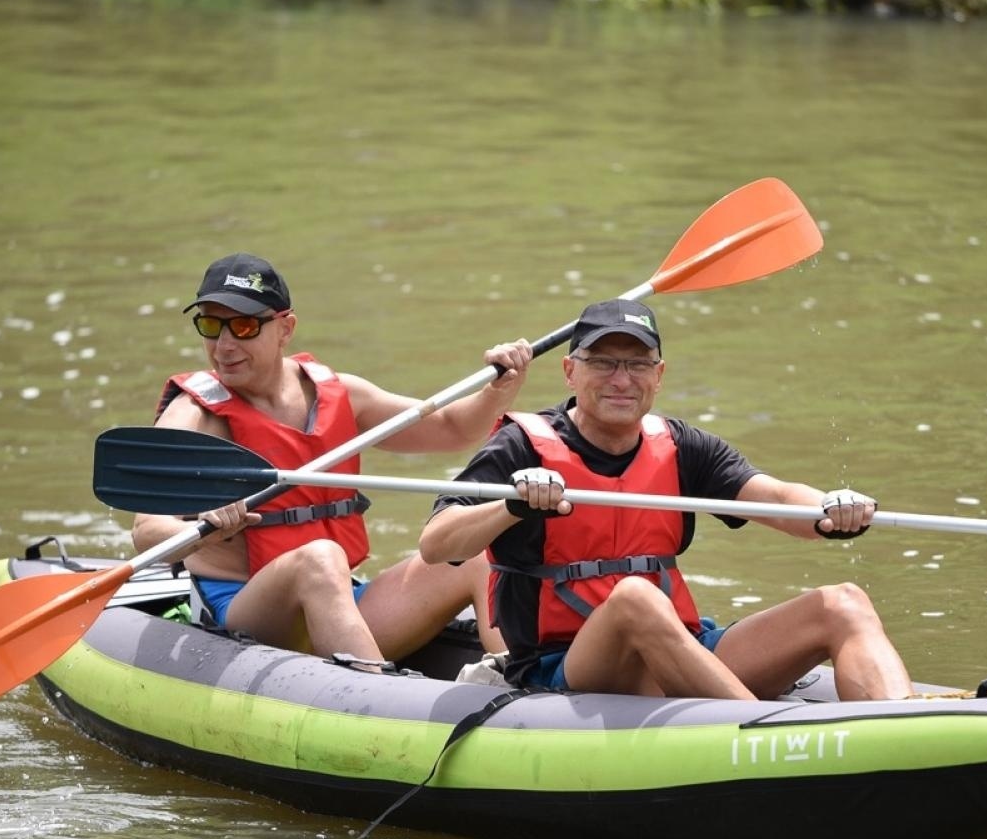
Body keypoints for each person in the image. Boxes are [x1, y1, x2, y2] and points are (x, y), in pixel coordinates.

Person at [417, 297, 912, 702]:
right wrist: (512, 506)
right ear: (570, 371)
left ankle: (904, 737)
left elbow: (779, 498)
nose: (621, 379)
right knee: (633, 596)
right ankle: (758, 732)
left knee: (843, 602)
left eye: (637, 364)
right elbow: (436, 544)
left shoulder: (681, 446)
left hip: (677, 649)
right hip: (566, 666)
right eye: (603, 362)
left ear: (659, 375)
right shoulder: (522, 444)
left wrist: (829, 508)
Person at [131, 252, 533, 664]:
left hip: (341, 595)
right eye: (212, 326)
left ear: (285, 328)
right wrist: (204, 526)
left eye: (245, 326)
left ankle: (517, 681)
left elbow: (453, 429)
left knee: (477, 553)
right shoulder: (193, 416)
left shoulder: (340, 393)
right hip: (246, 616)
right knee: (319, 557)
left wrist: (500, 387)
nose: (225, 345)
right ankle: (376, 700)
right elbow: (146, 530)